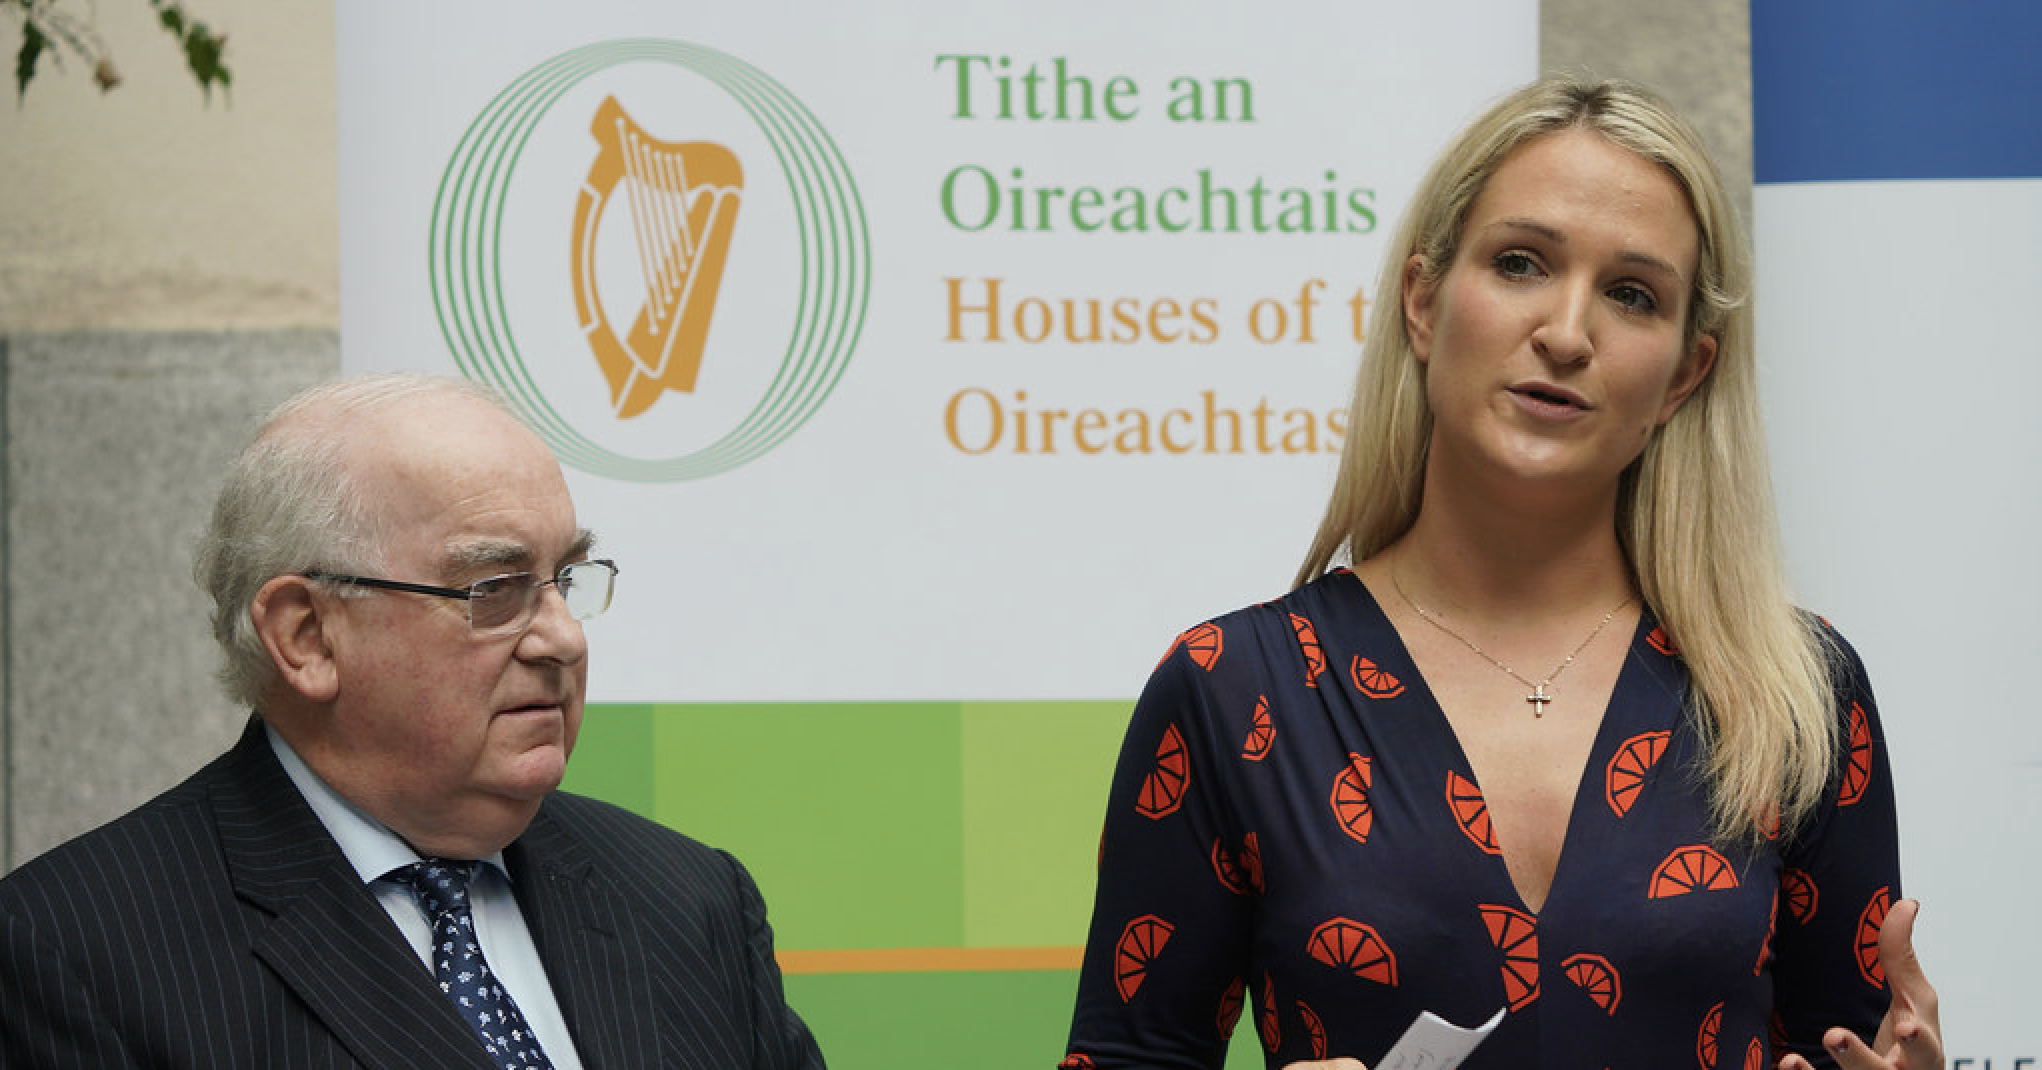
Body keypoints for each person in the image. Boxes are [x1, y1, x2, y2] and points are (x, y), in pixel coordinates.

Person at [1058, 79, 1940, 1070]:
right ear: (1423, 301)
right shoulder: (1230, 684)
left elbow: (1844, 1044)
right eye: (1520, 263)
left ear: (1683, 375)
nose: (1566, 333)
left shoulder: (1796, 689)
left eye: (1630, 293)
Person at [0, 374, 825, 1069]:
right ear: (307, 635)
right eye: (492, 589)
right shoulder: (70, 952)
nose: (563, 638)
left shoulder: (687, 899)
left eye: (566, 578)